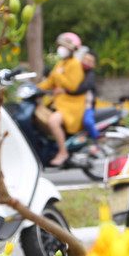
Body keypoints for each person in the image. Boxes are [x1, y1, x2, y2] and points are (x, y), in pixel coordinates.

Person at [35, 31, 87, 166]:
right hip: (61, 103)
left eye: (64, 46)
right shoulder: (60, 64)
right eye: (60, 46)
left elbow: (73, 86)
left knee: (53, 121)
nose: (61, 49)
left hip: (72, 106)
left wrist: (59, 76)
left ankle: (63, 152)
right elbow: (48, 83)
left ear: (72, 49)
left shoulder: (75, 64)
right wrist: (35, 88)